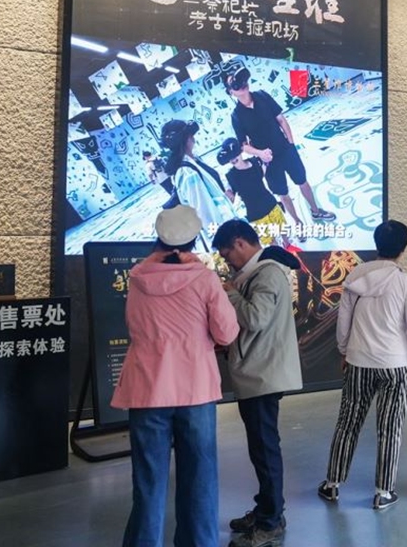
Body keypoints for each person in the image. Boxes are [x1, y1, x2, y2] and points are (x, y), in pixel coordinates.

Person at [111, 206, 240, 546]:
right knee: (199, 480)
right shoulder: (205, 279)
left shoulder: (137, 278)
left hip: (146, 391)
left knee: (148, 483)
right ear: (193, 240)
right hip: (195, 391)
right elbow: (226, 333)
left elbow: (133, 326)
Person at [319, 221, 407, 510]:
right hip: (396, 366)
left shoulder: (355, 277)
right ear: (404, 248)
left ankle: (333, 484)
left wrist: (344, 351)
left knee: (348, 423)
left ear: (376, 244)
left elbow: (343, 322)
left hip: (359, 361)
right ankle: (383, 491)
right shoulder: (404, 281)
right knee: (390, 427)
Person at [213, 220, 303, 547]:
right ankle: (267, 508)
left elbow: (255, 318)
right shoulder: (258, 273)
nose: (227, 261)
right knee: (260, 448)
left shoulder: (267, 274)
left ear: (239, 243)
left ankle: (270, 521)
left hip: (262, 374)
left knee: (265, 450)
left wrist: (232, 294)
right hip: (256, 372)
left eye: (227, 254)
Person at [227, 65, 336, 228]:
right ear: (231, 92)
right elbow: (243, 146)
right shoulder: (236, 116)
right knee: (282, 193)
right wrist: (260, 153)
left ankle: (315, 210)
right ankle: (297, 222)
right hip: (268, 160)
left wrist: (290, 143)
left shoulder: (262, 96)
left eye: (242, 81)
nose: (242, 85)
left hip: (285, 149)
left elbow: (281, 119)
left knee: (302, 180)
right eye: (235, 84)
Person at [161, 119, 234, 245]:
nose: (193, 137)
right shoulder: (187, 173)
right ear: (186, 138)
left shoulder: (191, 162)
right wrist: (225, 241)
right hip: (223, 235)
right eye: (190, 134)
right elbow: (204, 212)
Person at [216, 137, 291, 247]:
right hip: (256, 214)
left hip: (271, 204)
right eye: (229, 158)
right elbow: (229, 195)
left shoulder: (255, 162)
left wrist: (267, 157)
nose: (232, 159)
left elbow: (264, 170)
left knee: (284, 232)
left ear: (240, 152)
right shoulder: (230, 176)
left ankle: (290, 249)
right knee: (272, 243)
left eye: (234, 155)